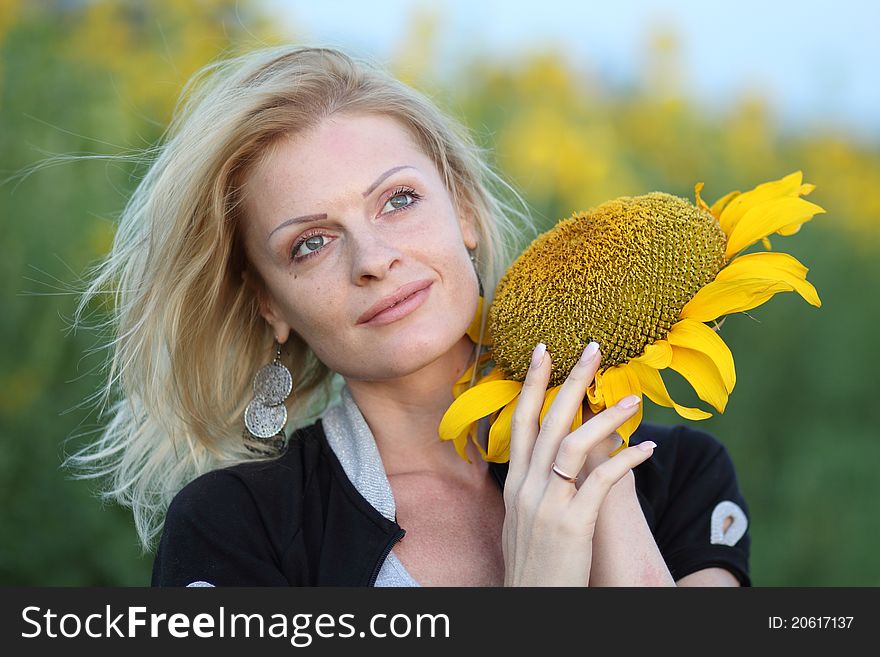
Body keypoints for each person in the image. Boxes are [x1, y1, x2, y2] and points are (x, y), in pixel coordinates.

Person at [70, 44, 751, 587]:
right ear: (269, 302)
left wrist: (609, 483)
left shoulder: (679, 472)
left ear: (462, 209)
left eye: (397, 200)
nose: (373, 258)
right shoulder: (235, 527)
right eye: (311, 242)